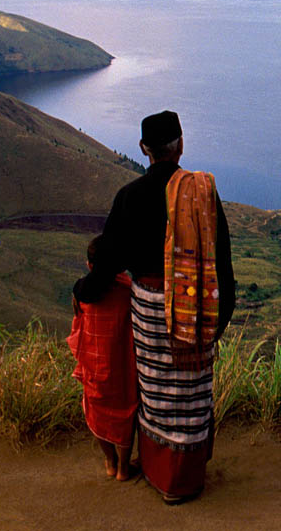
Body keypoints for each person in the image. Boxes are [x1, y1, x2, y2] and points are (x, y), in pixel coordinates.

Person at [74, 110, 235, 505]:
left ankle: (160, 472)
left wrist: (83, 290)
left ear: (144, 150)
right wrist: (219, 319)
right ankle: (189, 475)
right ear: (181, 145)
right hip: (196, 311)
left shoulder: (129, 197)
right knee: (193, 393)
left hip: (148, 312)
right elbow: (222, 262)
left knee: (156, 390)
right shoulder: (202, 193)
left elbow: (108, 260)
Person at [68, 234, 137, 481]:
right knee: (126, 414)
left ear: (89, 265)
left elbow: (78, 329)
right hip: (122, 368)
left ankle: (109, 462)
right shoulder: (127, 291)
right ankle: (124, 469)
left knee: (96, 413)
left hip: (93, 366)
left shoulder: (82, 295)